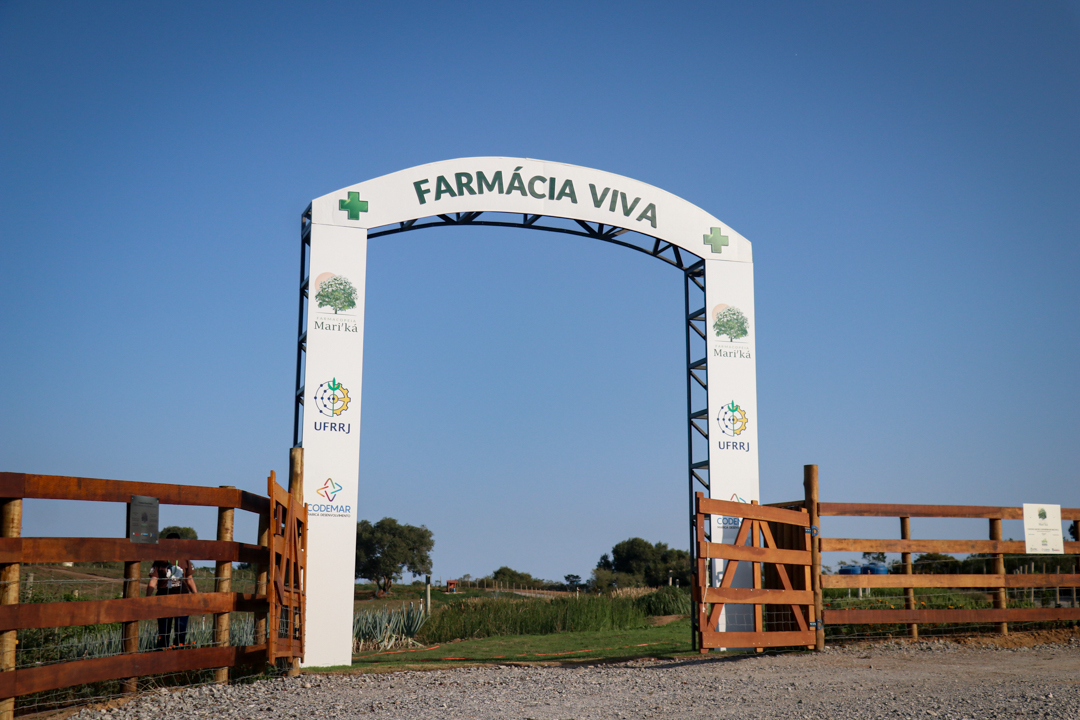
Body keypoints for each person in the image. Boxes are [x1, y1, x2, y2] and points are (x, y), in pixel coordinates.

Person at [147, 532, 198, 649]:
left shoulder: (185, 559)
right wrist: (148, 598)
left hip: (182, 597)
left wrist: (196, 595)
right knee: (164, 628)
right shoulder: (160, 560)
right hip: (164, 597)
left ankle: (178, 650)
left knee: (181, 628)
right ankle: (163, 650)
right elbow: (153, 579)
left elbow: (189, 579)